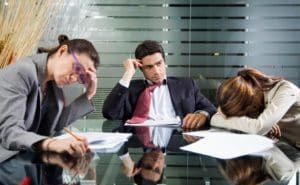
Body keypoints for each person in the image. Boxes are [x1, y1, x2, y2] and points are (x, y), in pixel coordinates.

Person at [0, 34, 100, 162]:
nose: (74, 78)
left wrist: (89, 93)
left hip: (23, 161)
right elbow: (10, 132)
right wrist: (54, 144)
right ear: (62, 51)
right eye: (77, 68)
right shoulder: (22, 72)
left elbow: (55, 125)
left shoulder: (54, 85)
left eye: (80, 77)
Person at [102, 40, 216, 129]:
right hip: (143, 142)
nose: (156, 71)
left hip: (177, 141)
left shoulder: (186, 85)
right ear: (141, 69)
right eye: (149, 67)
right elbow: (109, 113)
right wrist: (128, 73)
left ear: (164, 62)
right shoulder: (131, 88)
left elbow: (210, 108)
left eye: (159, 63)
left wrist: (202, 115)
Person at [211, 68, 300, 144]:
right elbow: (214, 119)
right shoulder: (252, 100)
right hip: (283, 149)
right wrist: (254, 123)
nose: (247, 114)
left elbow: (259, 128)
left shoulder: (286, 90)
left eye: (244, 112)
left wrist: (258, 124)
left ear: (252, 95)